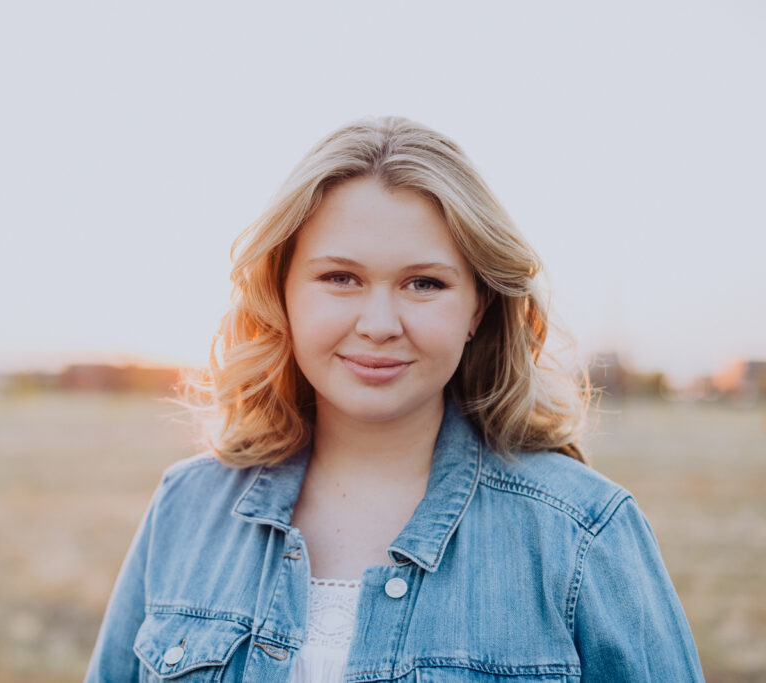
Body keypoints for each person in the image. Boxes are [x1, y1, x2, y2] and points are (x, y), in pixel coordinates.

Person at [84, 116, 703, 682]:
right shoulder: (186, 507)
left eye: (423, 283)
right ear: (282, 293)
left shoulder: (583, 532)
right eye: (340, 278)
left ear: (477, 308)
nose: (379, 324)